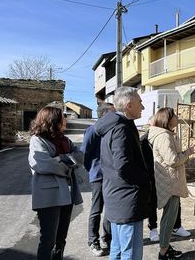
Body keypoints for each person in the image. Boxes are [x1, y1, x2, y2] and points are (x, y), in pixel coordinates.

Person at [95, 87, 151, 260]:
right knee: (130, 252)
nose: (142, 107)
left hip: (117, 196)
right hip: (127, 198)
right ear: (129, 105)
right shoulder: (121, 129)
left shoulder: (115, 126)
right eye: (140, 103)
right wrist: (145, 179)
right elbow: (123, 166)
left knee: (118, 249)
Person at [28, 106, 84, 260]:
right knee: (48, 239)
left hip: (67, 194)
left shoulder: (65, 140)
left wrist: (62, 159)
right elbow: (42, 164)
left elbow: (80, 156)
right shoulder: (37, 140)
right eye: (63, 117)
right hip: (49, 196)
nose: (66, 120)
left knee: (61, 238)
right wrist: (63, 160)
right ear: (52, 121)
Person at [148, 107, 194, 260]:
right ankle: (163, 252)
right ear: (167, 119)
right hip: (169, 182)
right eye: (174, 115)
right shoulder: (164, 137)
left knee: (170, 216)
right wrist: (187, 153)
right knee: (169, 218)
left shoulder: (166, 135)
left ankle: (166, 246)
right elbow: (173, 160)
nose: (177, 117)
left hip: (169, 181)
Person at [140, 120, 191, 244]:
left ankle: (176, 226)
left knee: (174, 201)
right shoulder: (144, 140)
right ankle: (153, 228)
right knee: (152, 202)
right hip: (151, 175)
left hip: (167, 175)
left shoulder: (167, 136)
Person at [80, 102, 115, 257]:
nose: (116, 115)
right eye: (113, 112)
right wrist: (92, 170)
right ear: (104, 114)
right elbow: (84, 154)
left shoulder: (112, 130)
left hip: (112, 177)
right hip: (98, 176)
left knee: (110, 210)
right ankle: (93, 241)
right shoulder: (92, 130)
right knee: (96, 209)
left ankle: (107, 238)